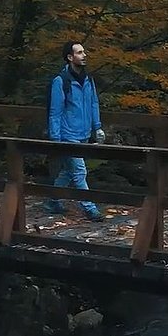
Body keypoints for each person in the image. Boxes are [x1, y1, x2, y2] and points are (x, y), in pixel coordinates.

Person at [46, 40, 106, 221]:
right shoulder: (61, 81)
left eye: (83, 52)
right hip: (67, 134)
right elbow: (55, 112)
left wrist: (97, 127)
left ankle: (53, 201)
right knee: (80, 171)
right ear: (70, 57)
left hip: (84, 133)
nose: (84, 55)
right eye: (79, 52)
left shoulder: (89, 79)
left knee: (68, 171)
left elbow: (94, 103)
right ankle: (89, 207)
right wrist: (56, 140)